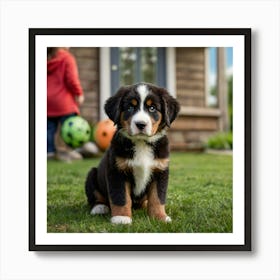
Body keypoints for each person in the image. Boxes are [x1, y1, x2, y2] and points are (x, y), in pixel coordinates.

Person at [47, 47, 85, 161]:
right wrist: (79, 93)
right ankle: (71, 151)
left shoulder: (46, 57)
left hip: (47, 100)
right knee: (71, 126)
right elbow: (71, 79)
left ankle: (49, 153)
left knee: (49, 129)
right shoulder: (67, 58)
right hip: (64, 101)